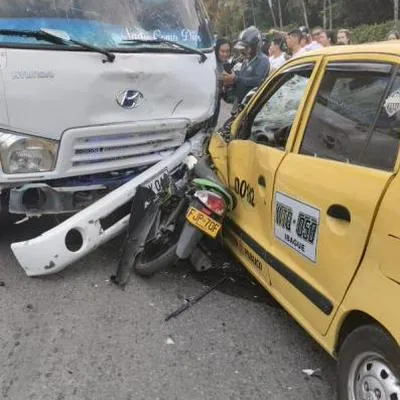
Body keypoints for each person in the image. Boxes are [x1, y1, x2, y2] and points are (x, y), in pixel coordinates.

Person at [222, 26, 270, 109]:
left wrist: (235, 79)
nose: (243, 51)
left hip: (253, 106)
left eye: (247, 48)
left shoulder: (263, 60)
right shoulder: (246, 60)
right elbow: (243, 79)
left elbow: (257, 81)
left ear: (256, 46)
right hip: (241, 104)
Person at [213, 38, 232, 124]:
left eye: (227, 51)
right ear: (217, 50)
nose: (225, 54)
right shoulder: (211, 61)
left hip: (217, 101)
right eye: (222, 51)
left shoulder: (223, 63)